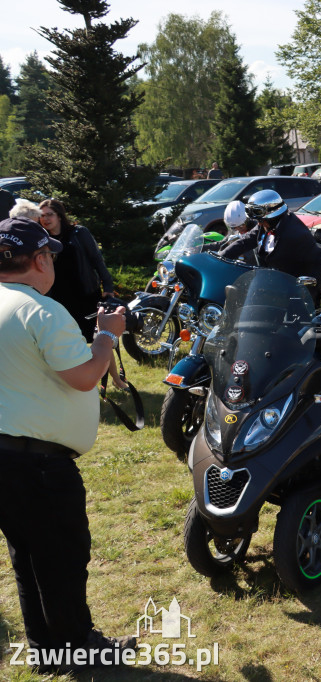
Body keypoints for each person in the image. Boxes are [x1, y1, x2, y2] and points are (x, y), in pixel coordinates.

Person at [0, 217, 137, 672]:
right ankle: (80, 647)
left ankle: (46, 649)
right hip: (40, 464)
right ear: (39, 259)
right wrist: (107, 334)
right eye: (50, 255)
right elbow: (83, 377)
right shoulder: (40, 310)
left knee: (27, 557)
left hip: (6, 459)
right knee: (62, 557)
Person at [219, 189, 321, 290]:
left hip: (300, 283)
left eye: (261, 220)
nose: (259, 223)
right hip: (275, 280)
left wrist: (306, 295)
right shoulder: (266, 224)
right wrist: (221, 258)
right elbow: (245, 241)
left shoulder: (294, 234)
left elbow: (316, 265)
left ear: (273, 216)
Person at [38, 199, 115, 343]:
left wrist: (108, 286)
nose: (45, 219)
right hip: (58, 297)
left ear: (59, 216)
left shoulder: (78, 233)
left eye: (50, 214)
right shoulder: (42, 239)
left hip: (85, 293)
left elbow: (97, 259)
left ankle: (103, 365)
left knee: (95, 338)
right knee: (67, 340)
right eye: (42, 216)